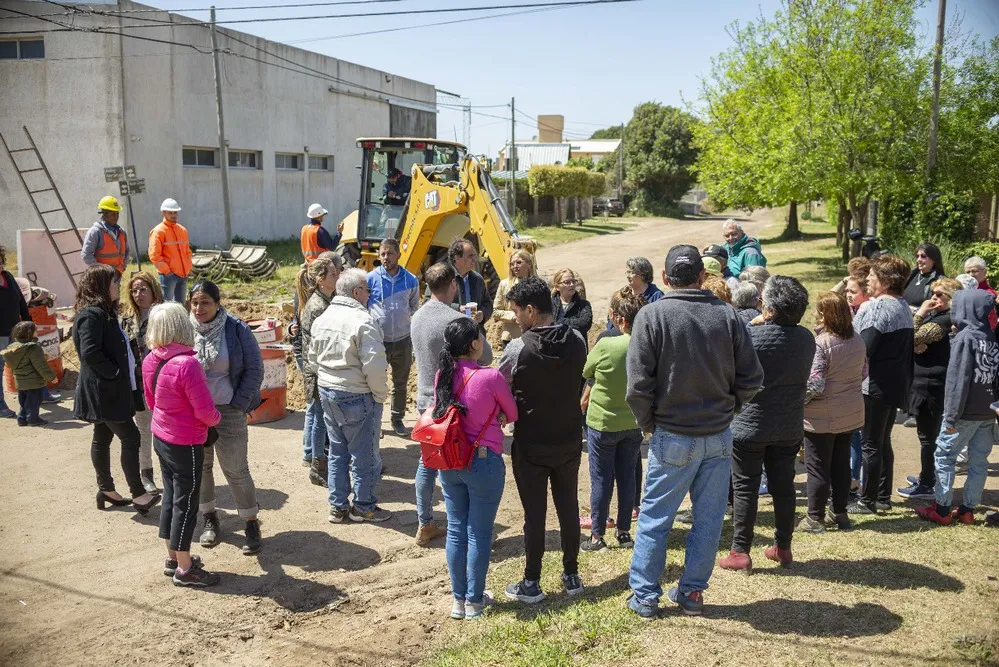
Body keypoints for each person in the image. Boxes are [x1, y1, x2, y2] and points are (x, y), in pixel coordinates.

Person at [626, 245, 763, 618]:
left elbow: (637, 386)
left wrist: (649, 424)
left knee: (656, 518)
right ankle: (692, 593)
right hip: (717, 435)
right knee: (708, 519)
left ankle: (645, 596)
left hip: (673, 434)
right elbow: (752, 378)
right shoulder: (728, 315)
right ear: (703, 276)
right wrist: (729, 408)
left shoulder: (652, 315)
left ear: (665, 278)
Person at [499, 277, 587, 603]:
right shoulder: (577, 339)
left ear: (531, 311)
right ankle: (572, 574)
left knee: (534, 515)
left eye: (516, 312)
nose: (515, 318)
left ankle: (532, 581)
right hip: (569, 438)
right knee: (568, 507)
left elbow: (499, 387)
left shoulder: (517, 348)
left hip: (531, 443)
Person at [719, 276, 814, 572]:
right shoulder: (806, 338)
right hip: (788, 424)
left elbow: (731, 367)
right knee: (784, 487)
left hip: (749, 425)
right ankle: (783, 547)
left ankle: (740, 551)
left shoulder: (751, 336)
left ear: (769, 307)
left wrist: (754, 324)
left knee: (745, 487)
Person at [434, 318, 518, 620]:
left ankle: (458, 601)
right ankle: (474, 601)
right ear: (474, 344)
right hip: (483, 461)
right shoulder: (490, 376)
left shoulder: (443, 374)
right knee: (479, 534)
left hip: (450, 460)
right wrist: (497, 416)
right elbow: (513, 412)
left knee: (456, 530)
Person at [411, 263, 494, 547]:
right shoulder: (454, 319)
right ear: (453, 285)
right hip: (454, 402)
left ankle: (425, 522)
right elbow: (486, 356)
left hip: (426, 400)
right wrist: (471, 326)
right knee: (462, 462)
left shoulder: (417, 317)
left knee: (427, 463)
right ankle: (469, 525)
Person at [142, 302, 223, 588]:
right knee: (187, 503)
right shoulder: (188, 364)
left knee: (171, 497)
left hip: (161, 436)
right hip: (185, 441)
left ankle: (173, 557)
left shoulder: (150, 359)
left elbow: (150, 401)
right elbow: (205, 412)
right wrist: (217, 419)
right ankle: (185, 569)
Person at [72, 264, 160, 515]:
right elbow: (90, 352)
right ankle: (139, 494)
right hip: (105, 392)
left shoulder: (104, 313)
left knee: (102, 437)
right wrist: (116, 373)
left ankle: (107, 490)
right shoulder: (92, 315)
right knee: (131, 437)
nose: (118, 288)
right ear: (101, 285)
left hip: (106, 391)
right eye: (114, 283)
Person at [188, 281, 264, 554]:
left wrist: (239, 404)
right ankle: (210, 519)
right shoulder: (184, 329)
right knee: (202, 468)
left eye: (205, 302)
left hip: (228, 411)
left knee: (236, 469)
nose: (199, 308)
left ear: (218, 304)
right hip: (194, 413)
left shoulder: (235, 328)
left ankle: (251, 522)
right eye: (195, 303)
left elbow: (255, 369)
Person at [311, 268, 391, 524]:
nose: (369, 295)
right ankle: (364, 506)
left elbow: (313, 358)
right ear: (357, 292)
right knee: (363, 455)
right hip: (357, 394)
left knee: (337, 451)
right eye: (367, 290)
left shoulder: (323, 318)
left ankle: (337, 506)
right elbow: (374, 365)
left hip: (328, 391)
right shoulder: (363, 321)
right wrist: (380, 395)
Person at [916, 288, 998, 526]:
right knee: (979, 461)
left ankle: (941, 508)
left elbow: (958, 380)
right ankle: (967, 509)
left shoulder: (964, 338)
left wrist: (951, 416)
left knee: (944, 456)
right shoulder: (990, 336)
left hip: (963, 412)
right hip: (987, 410)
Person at [847, 255, 914, 515]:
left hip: (873, 385)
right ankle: (883, 496)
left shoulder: (879, 308)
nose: (868, 279)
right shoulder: (903, 306)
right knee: (883, 441)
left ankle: (867, 501)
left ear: (885, 282)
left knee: (870, 444)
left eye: (873, 276)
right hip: (894, 383)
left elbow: (864, 348)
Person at [580, 291, 645, 552]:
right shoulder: (646, 345)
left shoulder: (607, 344)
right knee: (627, 477)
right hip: (633, 422)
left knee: (601, 479)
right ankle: (624, 532)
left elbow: (587, 371)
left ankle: (597, 536)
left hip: (603, 423)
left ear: (620, 319)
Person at [800, 292, 867, 533]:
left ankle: (814, 518)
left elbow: (815, 384)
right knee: (841, 464)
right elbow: (864, 372)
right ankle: (840, 512)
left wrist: (797, 401)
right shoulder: (857, 339)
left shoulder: (821, 344)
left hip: (822, 416)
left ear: (824, 314)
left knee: (817, 467)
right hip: (850, 411)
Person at [898, 278, 961, 500]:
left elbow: (910, 338)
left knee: (928, 437)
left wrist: (920, 313)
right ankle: (927, 476)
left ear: (952, 298)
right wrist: (916, 343)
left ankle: (927, 484)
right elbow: (914, 341)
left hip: (930, 386)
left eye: (940, 294)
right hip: (928, 383)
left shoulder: (943, 320)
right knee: (928, 435)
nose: (934, 297)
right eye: (933, 292)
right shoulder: (941, 317)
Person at [366, 238, 420, 436]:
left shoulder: (410, 280)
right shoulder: (370, 279)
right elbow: (363, 306)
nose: (385, 257)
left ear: (398, 254)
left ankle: (397, 419)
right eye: (382, 254)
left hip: (403, 341)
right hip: (378, 341)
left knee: (400, 383)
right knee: (375, 384)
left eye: (389, 253)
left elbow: (414, 307)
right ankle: (375, 423)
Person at [298, 256, 342, 487]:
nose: (337, 276)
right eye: (333, 274)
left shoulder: (327, 300)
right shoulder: (318, 307)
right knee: (319, 419)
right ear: (320, 280)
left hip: (319, 368)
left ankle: (318, 461)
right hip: (317, 371)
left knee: (320, 417)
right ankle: (317, 465)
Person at [122, 271, 165, 495]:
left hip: (164, 385)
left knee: (166, 431)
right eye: (134, 290)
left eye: (143, 289)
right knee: (143, 432)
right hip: (138, 386)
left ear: (153, 290)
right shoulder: (127, 320)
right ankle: (146, 475)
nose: (138, 294)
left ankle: (171, 473)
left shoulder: (165, 315)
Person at [1, 321, 55, 426]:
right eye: (35, 330)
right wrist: (51, 377)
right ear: (30, 333)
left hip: (20, 381)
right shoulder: (33, 348)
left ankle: (22, 418)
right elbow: (41, 366)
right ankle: (33, 419)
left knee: (24, 402)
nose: (37, 331)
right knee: (34, 401)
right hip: (34, 382)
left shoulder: (13, 348)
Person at [0, 245, 31, 419]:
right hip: (1, 335)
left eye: (0, 261)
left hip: (16, 331)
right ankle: (0, 406)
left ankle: (40, 394)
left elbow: (21, 302)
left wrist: (28, 322)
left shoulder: (8, 277)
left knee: (28, 362)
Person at [148, 198, 193, 302]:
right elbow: (154, 256)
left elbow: (187, 251)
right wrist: (167, 271)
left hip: (183, 275)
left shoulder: (182, 230)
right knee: (167, 307)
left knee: (180, 307)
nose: (173, 215)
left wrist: (188, 266)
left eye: (175, 212)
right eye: (170, 213)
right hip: (168, 276)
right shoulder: (158, 231)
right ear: (163, 213)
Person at [446, 237, 493, 334]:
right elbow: (430, 303)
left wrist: (483, 314)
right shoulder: (443, 278)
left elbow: (488, 303)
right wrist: (457, 309)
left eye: (474, 255)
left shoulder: (477, 279)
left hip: (475, 335)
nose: (475, 259)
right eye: (470, 256)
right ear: (457, 258)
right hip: (452, 334)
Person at [492, 249, 538, 347]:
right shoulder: (504, 284)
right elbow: (495, 311)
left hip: (534, 337)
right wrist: (513, 316)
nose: (515, 266)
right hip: (511, 339)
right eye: (512, 264)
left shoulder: (538, 285)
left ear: (529, 264)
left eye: (519, 262)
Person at [81, 196, 128, 273]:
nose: (116, 217)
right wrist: (100, 271)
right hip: (102, 276)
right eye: (113, 214)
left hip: (118, 274)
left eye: (117, 214)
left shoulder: (122, 232)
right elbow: (86, 255)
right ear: (104, 214)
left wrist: (123, 267)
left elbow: (127, 251)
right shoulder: (96, 231)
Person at [551, 268, 593, 340]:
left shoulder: (584, 305)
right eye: (567, 282)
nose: (572, 284)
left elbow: (584, 324)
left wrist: (560, 321)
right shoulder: (549, 305)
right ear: (557, 287)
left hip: (576, 345)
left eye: (573, 281)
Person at [903, 243, 945, 310]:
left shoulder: (941, 280)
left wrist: (915, 310)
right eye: (917, 256)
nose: (918, 260)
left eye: (923, 256)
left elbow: (938, 307)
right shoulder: (909, 275)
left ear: (934, 259)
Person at [963, 256, 998, 330]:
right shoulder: (961, 291)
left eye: (974, 271)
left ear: (985, 272)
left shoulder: (990, 294)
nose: (971, 275)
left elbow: (991, 322)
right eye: (968, 272)